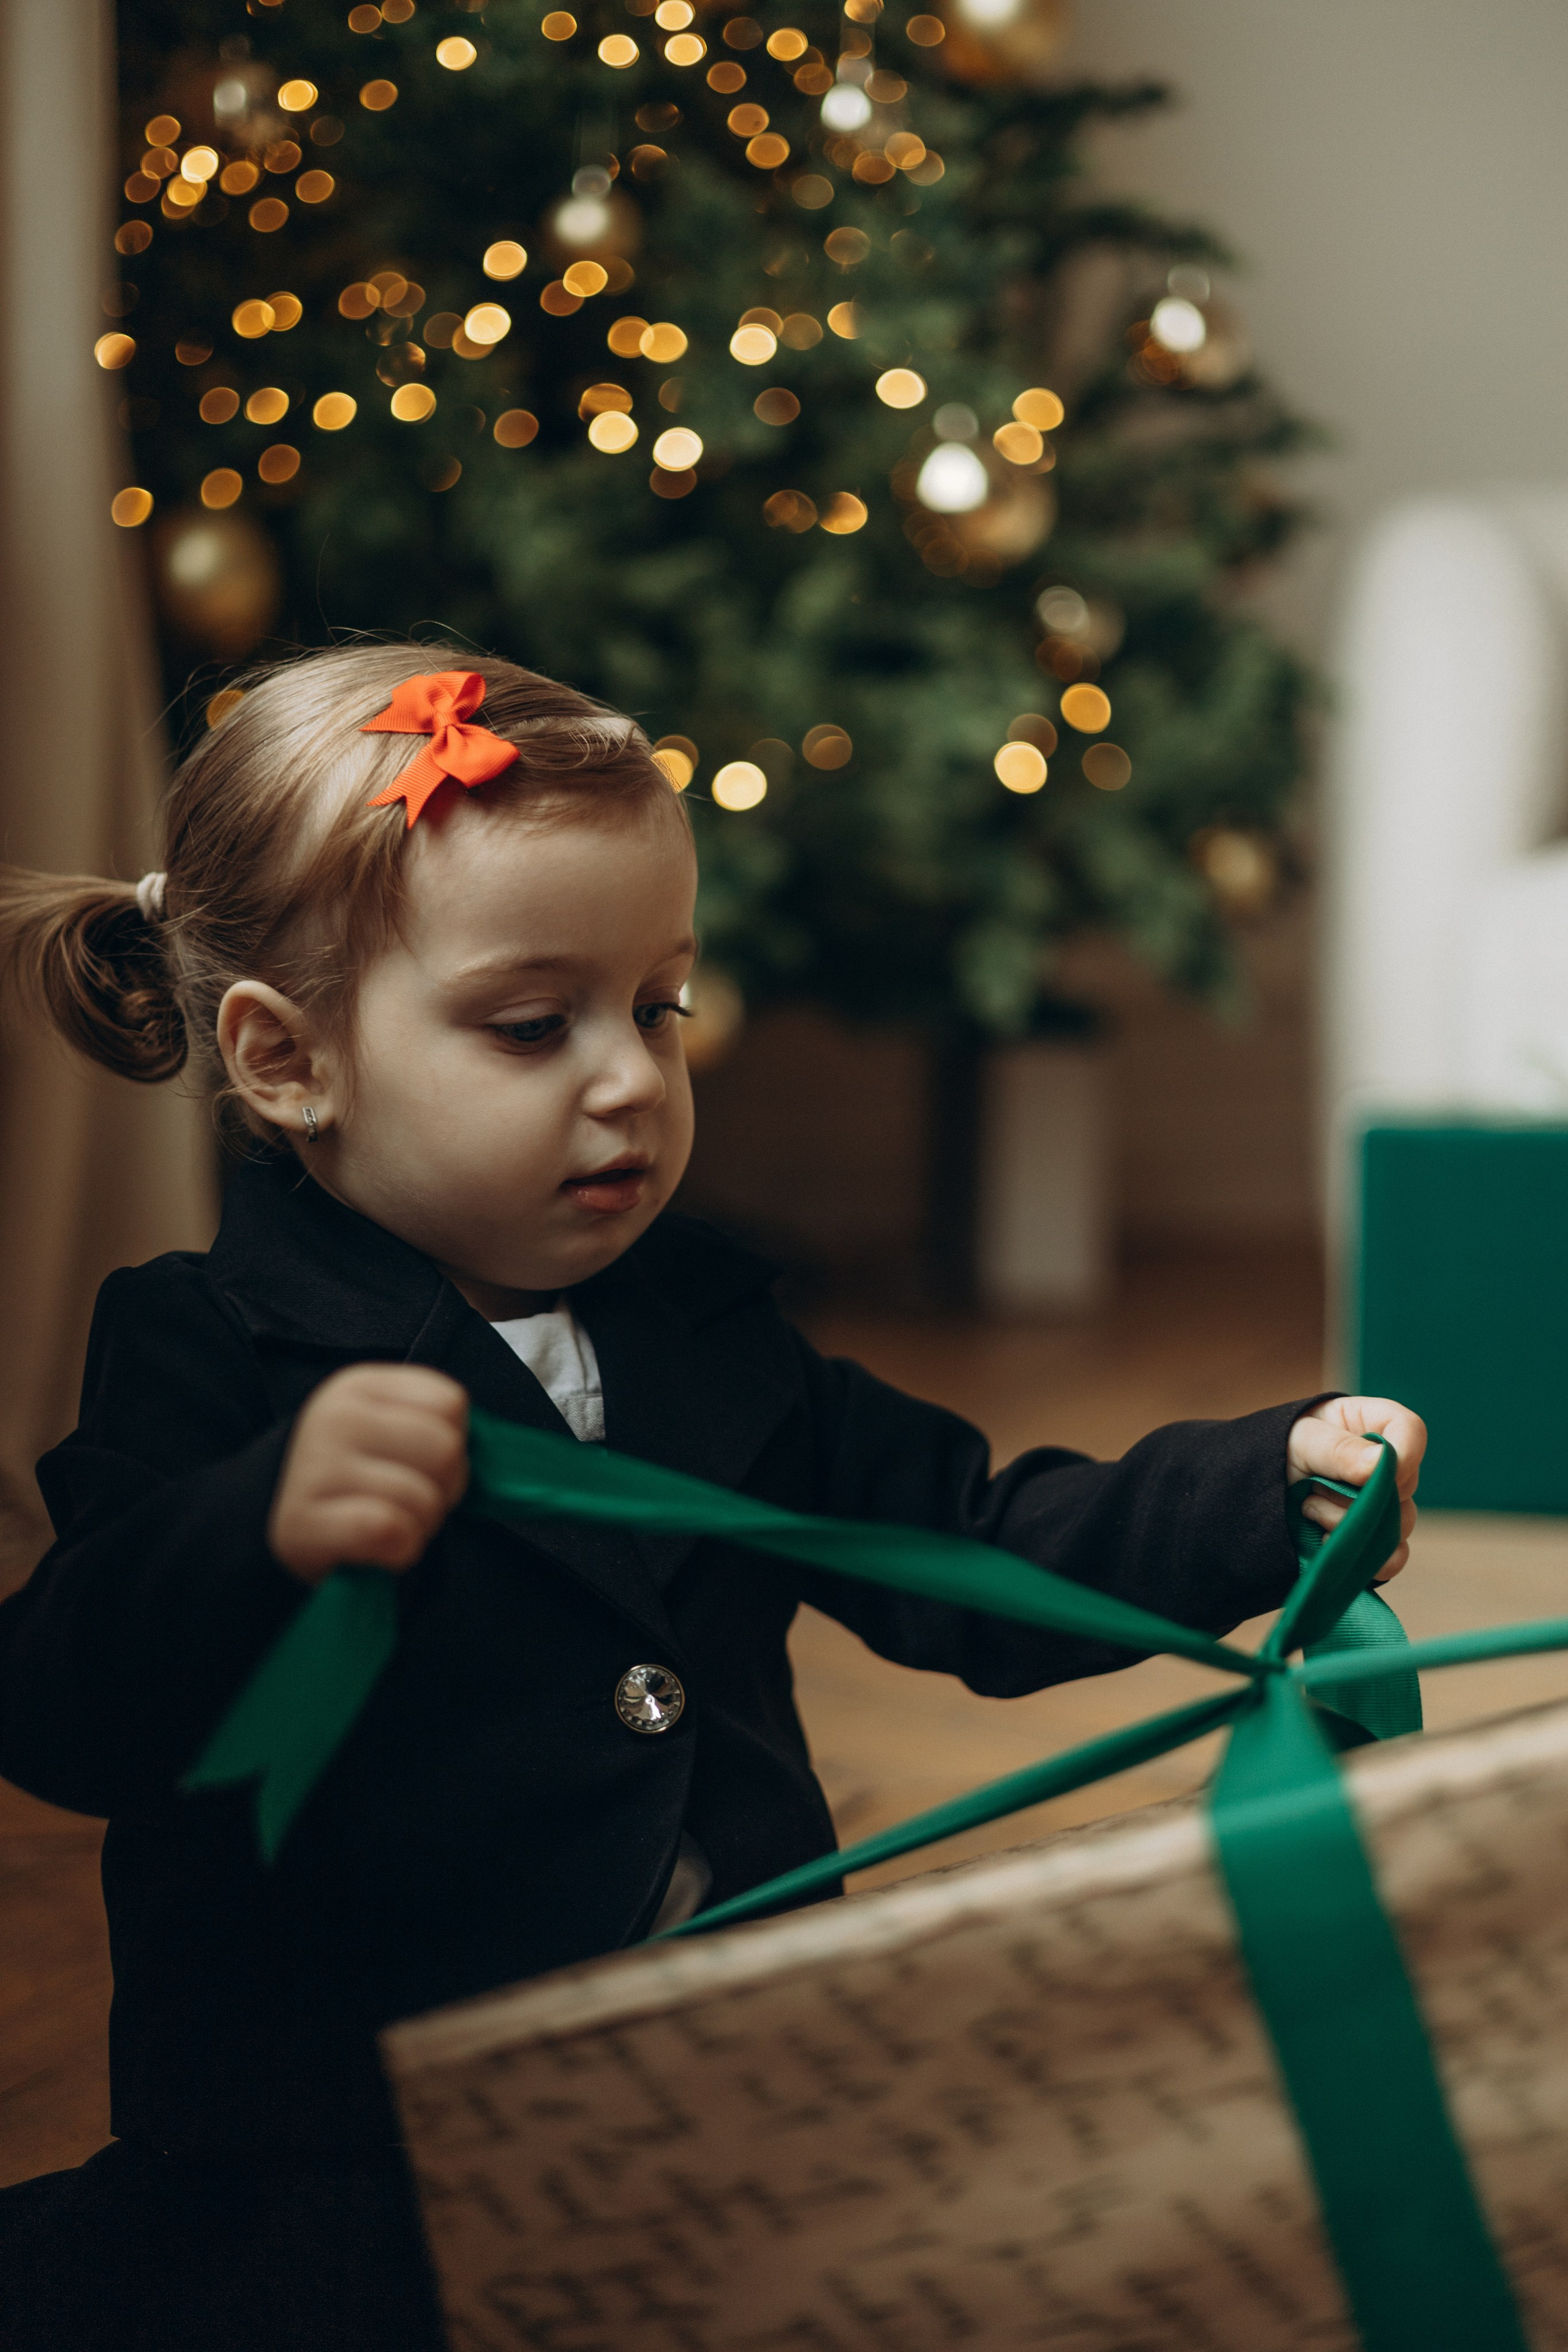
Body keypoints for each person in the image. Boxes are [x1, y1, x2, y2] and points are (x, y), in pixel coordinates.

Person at [0, 646, 1425, 2350]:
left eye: (658, 1006)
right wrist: (259, 1528)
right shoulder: (204, 1348)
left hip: (727, 2105)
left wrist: (1261, 1487)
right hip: (354, 2159)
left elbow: (965, 1545)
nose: (628, 1078)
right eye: (533, 1026)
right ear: (287, 1059)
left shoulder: (706, 1323)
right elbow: (66, 1709)